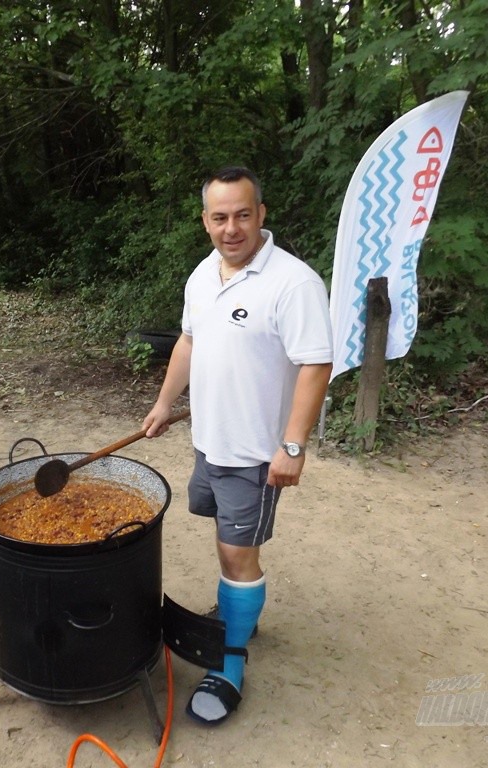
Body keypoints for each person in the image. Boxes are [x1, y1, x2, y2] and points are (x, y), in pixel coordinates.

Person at [143, 165, 333, 726]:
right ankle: (238, 610)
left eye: (243, 215)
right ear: (206, 221)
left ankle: (229, 662)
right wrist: (161, 403)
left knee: (236, 553)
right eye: (220, 217)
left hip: (254, 454)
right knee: (220, 530)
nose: (232, 228)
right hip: (210, 442)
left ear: (261, 215)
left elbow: (316, 363)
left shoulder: (294, 283)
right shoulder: (202, 276)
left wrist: (293, 446)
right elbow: (189, 340)